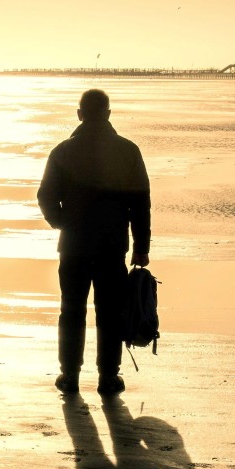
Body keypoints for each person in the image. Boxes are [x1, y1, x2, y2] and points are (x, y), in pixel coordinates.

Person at [37, 89, 151, 396]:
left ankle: (69, 376)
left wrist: (63, 223)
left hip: (73, 245)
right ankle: (108, 378)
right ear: (109, 115)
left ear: (79, 115)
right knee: (110, 312)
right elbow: (140, 202)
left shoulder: (62, 151)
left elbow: (45, 195)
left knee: (71, 310)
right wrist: (142, 247)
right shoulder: (128, 151)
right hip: (112, 246)